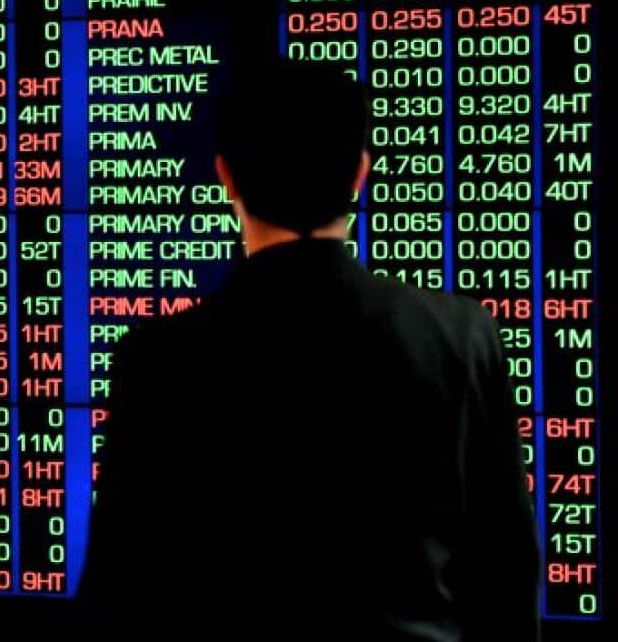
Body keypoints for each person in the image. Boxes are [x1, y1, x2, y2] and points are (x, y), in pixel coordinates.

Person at [80, 61, 540, 640]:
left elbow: (121, 585)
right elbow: (505, 570)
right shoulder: (464, 336)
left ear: (226, 177)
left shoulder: (158, 358)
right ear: (359, 173)